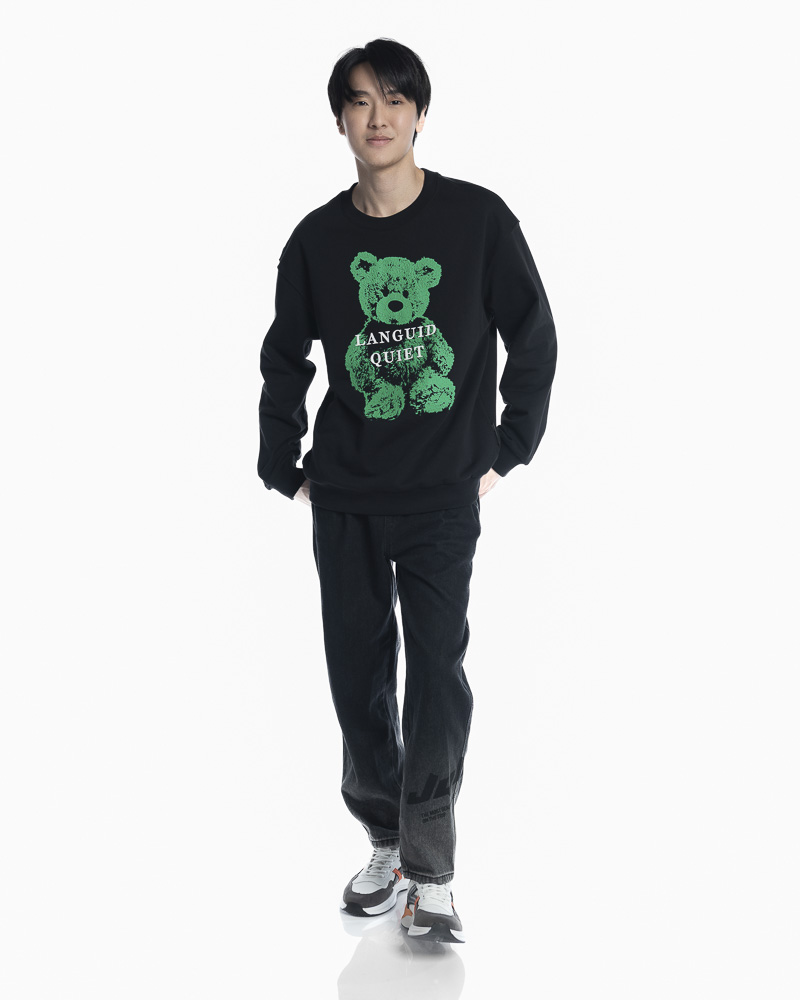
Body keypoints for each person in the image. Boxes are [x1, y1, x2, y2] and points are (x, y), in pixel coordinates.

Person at [257, 37, 557, 944]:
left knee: (434, 675)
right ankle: (384, 838)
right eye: (359, 101)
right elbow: (285, 355)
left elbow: (535, 334)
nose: (378, 117)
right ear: (340, 120)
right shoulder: (317, 240)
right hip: (345, 494)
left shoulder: (476, 221)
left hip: (441, 496)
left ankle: (432, 869)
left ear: (421, 114)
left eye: (394, 99)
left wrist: (509, 447)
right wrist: (282, 461)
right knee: (356, 674)